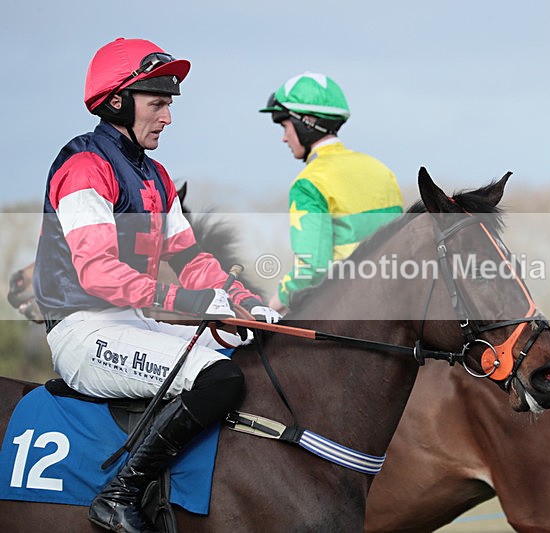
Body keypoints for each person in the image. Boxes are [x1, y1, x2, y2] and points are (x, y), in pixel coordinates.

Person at [33, 37, 280, 533]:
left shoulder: (157, 175)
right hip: (81, 331)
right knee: (219, 379)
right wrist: (185, 299)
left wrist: (243, 301)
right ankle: (118, 495)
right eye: (157, 104)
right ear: (117, 101)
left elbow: (190, 258)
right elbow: (97, 272)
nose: (167, 117)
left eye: (169, 104)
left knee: (252, 352)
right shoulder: (84, 166)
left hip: (130, 323)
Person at [259, 72, 404, 312]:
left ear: (306, 122)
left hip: (348, 310)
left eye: (285, 126)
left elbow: (312, 268)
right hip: (396, 302)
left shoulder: (309, 183)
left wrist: (274, 304)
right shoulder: (381, 170)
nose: (284, 138)